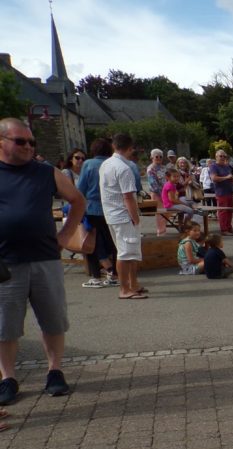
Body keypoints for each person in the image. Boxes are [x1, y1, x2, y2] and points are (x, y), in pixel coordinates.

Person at [0, 117, 86, 404]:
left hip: (44, 258)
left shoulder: (45, 172)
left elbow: (77, 200)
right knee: (6, 324)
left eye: (31, 142)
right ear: (2, 141)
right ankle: (8, 378)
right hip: (6, 262)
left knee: (53, 320)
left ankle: (55, 371)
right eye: (20, 141)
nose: (28, 147)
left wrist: (65, 236)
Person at [100, 133, 147, 300]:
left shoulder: (106, 164)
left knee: (131, 252)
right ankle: (125, 288)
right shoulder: (123, 168)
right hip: (122, 215)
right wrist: (136, 217)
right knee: (125, 253)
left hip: (112, 214)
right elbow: (128, 197)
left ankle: (133, 284)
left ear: (114, 146)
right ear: (129, 148)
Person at [76, 137, 119, 288]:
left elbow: (81, 188)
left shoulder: (88, 164)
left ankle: (95, 277)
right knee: (112, 242)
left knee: (91, 243)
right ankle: (113, 274)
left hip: (92, 208)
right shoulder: (112, 164)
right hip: (111, 207)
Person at [210, 150, 233, 235]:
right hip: (221, 192)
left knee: (229, 211)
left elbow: (229, 177)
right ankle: (224, 230)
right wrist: (226, 177)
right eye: (220, 156)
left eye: (224, 156)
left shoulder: (227, 166)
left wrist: (232, 179)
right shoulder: (214, 166)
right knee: (223, 211)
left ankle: (229, 227)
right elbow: (214, 178)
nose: (223, 158)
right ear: (216, 157)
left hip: (229, 191)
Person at [146, 148, 168, 236]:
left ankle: (163, 230)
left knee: (166, 212)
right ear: (152, 157)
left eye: (160, 157)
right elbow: (153, 184)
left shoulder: (164, 168)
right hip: (157, 194)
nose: (159, 158)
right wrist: (163, 194)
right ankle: (161, 233)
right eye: (156, 156)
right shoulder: (150, 169)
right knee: (160, 214)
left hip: (166, 193)